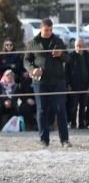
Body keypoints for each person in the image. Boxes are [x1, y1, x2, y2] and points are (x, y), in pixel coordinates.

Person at [24, 18, 71, 148]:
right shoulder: (33, 42)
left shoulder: (58, 41)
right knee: (42, 111)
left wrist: (61, 54)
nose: (49, 32)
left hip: (58, 81)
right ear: (41, 28)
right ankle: (44, 140)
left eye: (50, 30)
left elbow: (68, 58)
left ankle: (64, 140)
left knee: (61, 109)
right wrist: (32, 70)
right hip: (40, 82)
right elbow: (26, 60)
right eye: (46, 30)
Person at [66, 38, 89, 129]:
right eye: (77, 46)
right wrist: (68, 84)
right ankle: (73, 123)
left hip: (85, 85)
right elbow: (66, 72)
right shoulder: (70, 56)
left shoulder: (87, 55)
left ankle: (82, 123)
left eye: (81, 46)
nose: (79, 48)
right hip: (74, 85)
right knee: (73, 106)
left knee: (83, 106)